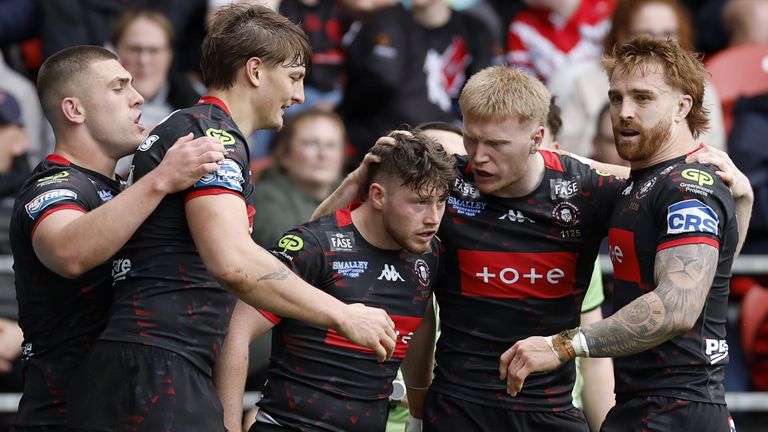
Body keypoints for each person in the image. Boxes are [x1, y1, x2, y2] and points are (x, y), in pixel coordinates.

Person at [314, 64, 751, 431]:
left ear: (538, 138)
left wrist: (741, 198)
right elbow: (315, 249)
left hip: (550, 410)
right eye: (471, 139)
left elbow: (697, 270)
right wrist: (354, 184)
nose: (479, 157)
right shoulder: (447, 184)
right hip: (458, 407)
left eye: (497, 145)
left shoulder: (590, 188)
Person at [66, 5, 396, 430]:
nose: (298, 96)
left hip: (159, 364)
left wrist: (348, 189)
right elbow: (234, 263)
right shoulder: (212, 135)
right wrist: (344, 314)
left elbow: (282, 259)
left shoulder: (204, 127)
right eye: (294, 78)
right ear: (255, 71)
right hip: (156, 368)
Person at [500, 36, 751, 432]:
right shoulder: (648, 181)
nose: (624, 112)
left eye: (643, 98)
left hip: (677, 410)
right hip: (647, 405)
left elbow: (677, 307)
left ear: (682, 107)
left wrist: (562, 345)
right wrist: (744, 201)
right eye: (616, 98)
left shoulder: (688, 186)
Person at [9, 44, 225, 431]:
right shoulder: (54, 184)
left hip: (129, 404)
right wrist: (161, 179)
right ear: (75, 110)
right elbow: (68, 251)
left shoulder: (127, 190)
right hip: (61, 414)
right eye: (118, 86)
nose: (138, 95)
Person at [215, 132, 455, 432]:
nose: (433, 218)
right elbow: (234, 330)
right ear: (378, 195)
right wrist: (227, 427)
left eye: (441, 202)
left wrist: (418, 417)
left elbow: (419, 331)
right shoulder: (316, 245)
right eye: (419, 202)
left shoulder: (430, 254)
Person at [250, 109, 346, 248]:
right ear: (284, 154)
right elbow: (292, 254)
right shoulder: (264, 198)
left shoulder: (357, 196)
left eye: (331, 145)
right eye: (310, 143)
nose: (323, 154)